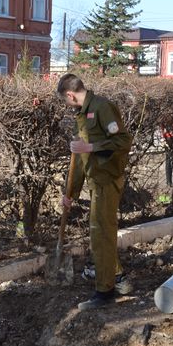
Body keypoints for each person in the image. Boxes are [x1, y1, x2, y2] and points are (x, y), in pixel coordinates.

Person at [58, 73, 133, 311]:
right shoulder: (82, 114)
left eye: (65, 100)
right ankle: (117, 277)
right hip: (95, 180)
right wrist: (70, 193)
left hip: (107, 181)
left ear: (70, 95)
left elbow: (123, 141)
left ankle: (105, 291)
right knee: (101, 233)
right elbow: (80, 160)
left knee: (101, 234)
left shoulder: (102, 107)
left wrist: (91, 146)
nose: (66, 104)